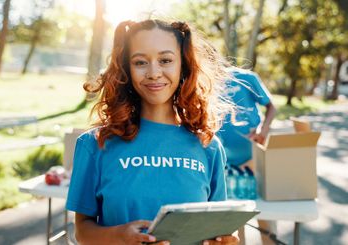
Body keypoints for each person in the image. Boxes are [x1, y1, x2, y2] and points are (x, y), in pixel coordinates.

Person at [66, 19, 239, 245]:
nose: (154, 73)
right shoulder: (94, 144)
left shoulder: (209, 146)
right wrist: (119, 236)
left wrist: (226, 240)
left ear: (183, 66)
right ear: (126, 68)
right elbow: (82, 231)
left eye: (165, 60)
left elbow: (216, 229)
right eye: (140, 62)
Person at [216, 67, 277, 245]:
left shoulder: (246, 77)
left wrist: (263, 130)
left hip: (252, 156)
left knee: (263, 210)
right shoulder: (204, 81)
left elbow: (271, 106)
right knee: (234, 217)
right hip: (223, 161)